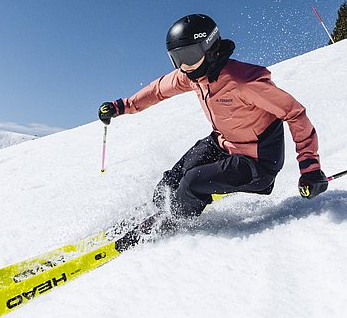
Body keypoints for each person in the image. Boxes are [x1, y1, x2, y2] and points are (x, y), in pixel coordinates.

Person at [98, 14, 327, 230]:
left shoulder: (244, 81)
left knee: (191, 184)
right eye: (177, 59)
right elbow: (158, 90)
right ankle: (153, 212)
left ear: (210, 48)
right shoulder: (193, 76)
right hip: (222, 142)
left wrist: (310, 168)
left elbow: (294, 113)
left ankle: (170, 223)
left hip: (257, 163)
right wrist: (121, 106)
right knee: (171, 180)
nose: (183, 67)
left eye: (188, 56)